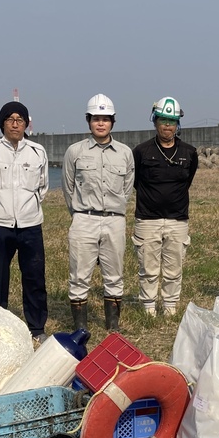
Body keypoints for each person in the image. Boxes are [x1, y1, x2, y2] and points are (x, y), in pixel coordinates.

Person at [0, 101, 50, 342]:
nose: (15, 124)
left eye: (20, 120)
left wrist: (28, 208)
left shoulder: (38, 152)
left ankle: (36, 328)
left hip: (30, 225)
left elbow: (42, 187)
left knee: (34, 277)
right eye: (10, 119)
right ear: (2, 124)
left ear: (26, 124)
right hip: (0, 225)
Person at [62, 94, 135, 332]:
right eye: (96, 119)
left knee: (114, 275)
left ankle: (112, 326)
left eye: (105, 119)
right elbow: (68, 187)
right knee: (79, 275)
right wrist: (80, 214)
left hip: (114, 220)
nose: (100, 123)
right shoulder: (75, 151)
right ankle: (81, 328)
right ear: (88, 121)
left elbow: (127, 189)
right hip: (84, 218)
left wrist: (114, 210)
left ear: (113, 122)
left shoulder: (125, 153)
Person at [132, 97, 199, 317]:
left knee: (174, 268)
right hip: (147, 219)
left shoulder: (189, 153)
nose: (167, 126)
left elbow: (188, 180)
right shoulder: (141, 152)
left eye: (172, 121)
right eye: (163, 120)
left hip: (177, 219)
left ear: (178, 123)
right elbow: (135, 181)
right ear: (154, 121)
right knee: (148, 268)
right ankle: (148, 307)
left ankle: (170, 306)